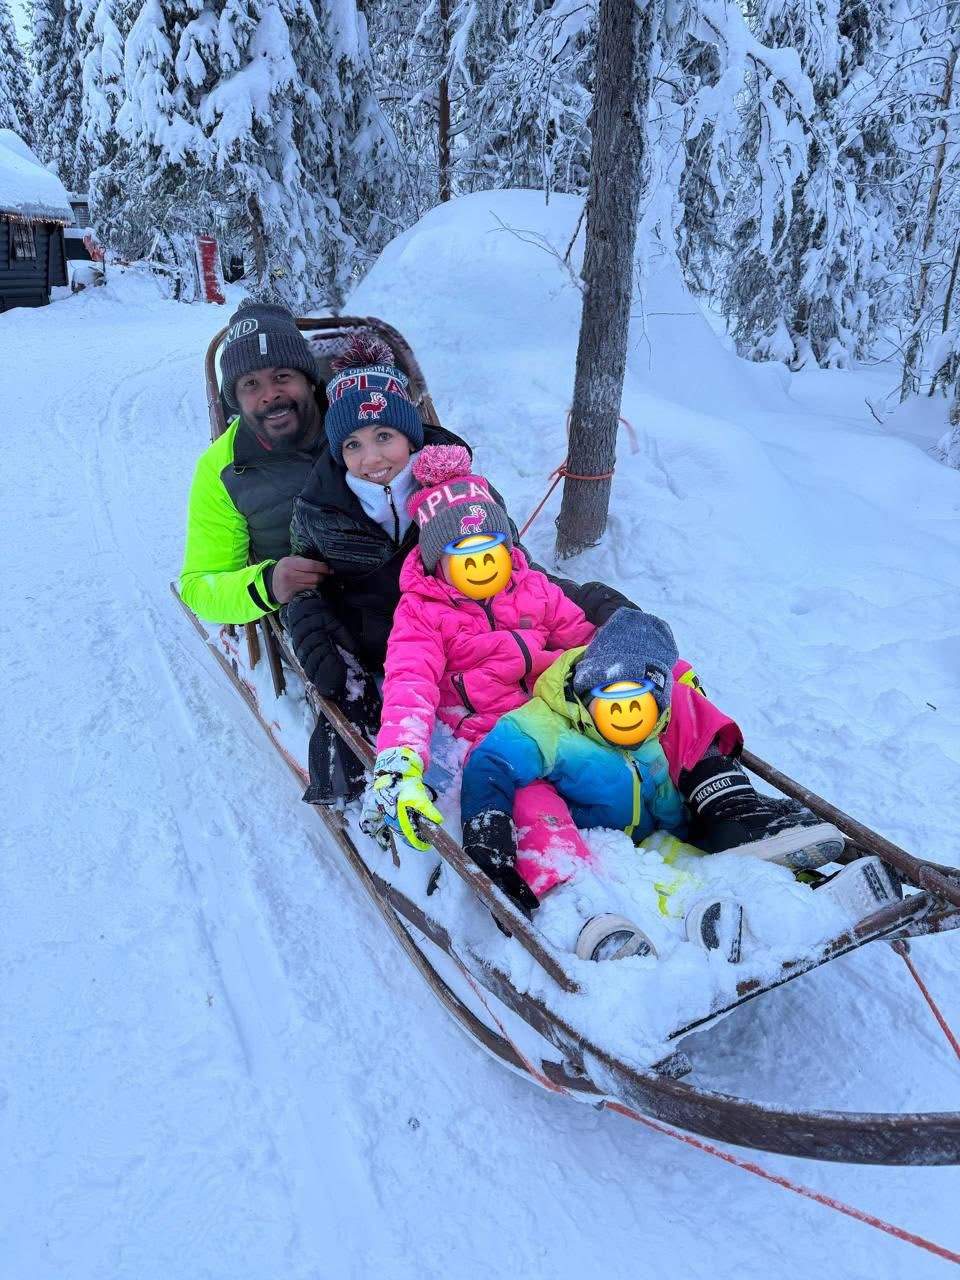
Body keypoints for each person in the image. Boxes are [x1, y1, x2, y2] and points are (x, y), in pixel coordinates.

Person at [361, 450, 845, 926]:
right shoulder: (421, 615)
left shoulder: (534, 589)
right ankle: (576, 902)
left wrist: (659, 671)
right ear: (437, 562)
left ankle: (732, 809)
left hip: (564, 709)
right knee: (525, 794)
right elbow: (409, 687)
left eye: (491, 547)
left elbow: (590, 643)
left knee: (674, 701)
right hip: (496, 731)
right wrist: (400, 759)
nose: (482, 564)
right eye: (463, 555)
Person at [459, 607, 902, 956]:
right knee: (538, 803)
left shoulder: (655, 730)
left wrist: (695, 830)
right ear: (588, 691)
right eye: (611, 702)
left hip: (654, 836)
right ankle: (589, 921)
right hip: (588, 842)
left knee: (702, 874)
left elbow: (664, 795)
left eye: (639, 704)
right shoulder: (546, 724)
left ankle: (797, 898)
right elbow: (490, 762)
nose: (626, 716)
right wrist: (487, 834)